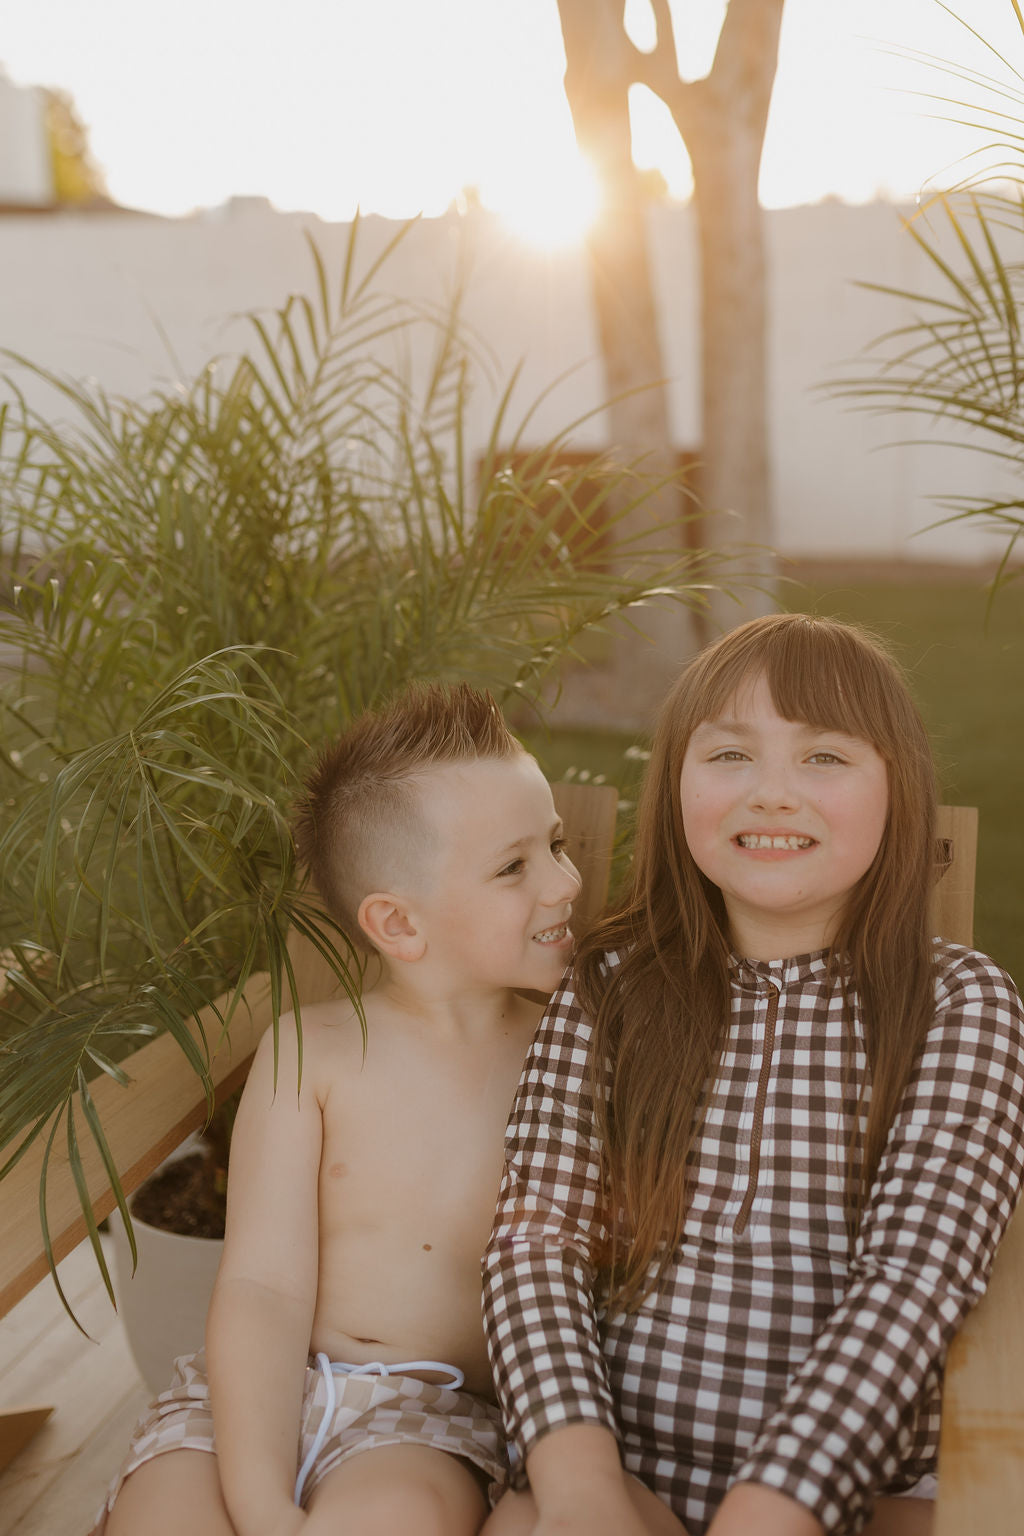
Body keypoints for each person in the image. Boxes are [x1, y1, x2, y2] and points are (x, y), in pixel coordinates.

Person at [481, 613, 1024, 1536]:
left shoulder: (958, 1004)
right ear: (674, 788)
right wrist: (579, 1490)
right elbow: (539, 1245)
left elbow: (914, 1277)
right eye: (730, 755)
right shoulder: (610, 991)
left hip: (849, 1487)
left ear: (899, 791)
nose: (773, 793)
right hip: (620, 1466)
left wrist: (774, 1506)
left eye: (824, 758)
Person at [92, 682, 582, 1536]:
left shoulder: (566, 1056)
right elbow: (261, 1287)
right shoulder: (310, 1051)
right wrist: (258, 1499)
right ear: (397, 923)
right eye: (516, 866)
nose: (565, 881)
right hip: (245, 1395)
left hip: (426, 1421)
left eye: (559, 845)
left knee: (384, 1521)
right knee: (164, 1518)